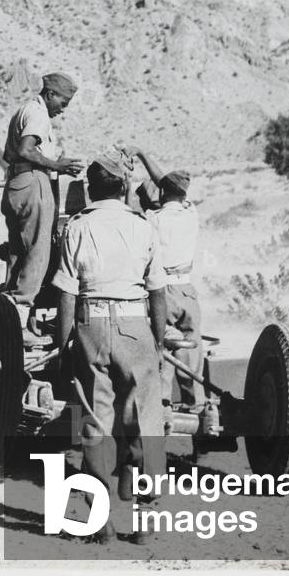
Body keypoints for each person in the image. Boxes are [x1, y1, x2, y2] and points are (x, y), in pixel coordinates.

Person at [51, 157, 168, 544]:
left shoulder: (78, 227)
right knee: (143, 420)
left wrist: (66, 340)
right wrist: (157, 339)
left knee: (96, 423)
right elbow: (157, 291)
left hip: (91, 324)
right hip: (136, 324)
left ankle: (100, 524)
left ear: (89, 189)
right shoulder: (143, 226)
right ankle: (145, 522)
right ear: (123, 188)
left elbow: (66, 292)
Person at [121, 147, 204, 413]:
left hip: (161, 291)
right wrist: (145, 155)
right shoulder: (191, 214)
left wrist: (128, 178)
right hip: (186, 289)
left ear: (163, 194)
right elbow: (164, 183)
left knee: (161, 343)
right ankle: (195, 403)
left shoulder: (153, 219)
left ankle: (162, 401)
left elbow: (131, 209)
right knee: (191, 347)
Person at [0, 72, 85, 324]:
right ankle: (21, 312)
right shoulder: (38, 114)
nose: (62, 109)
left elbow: (12, 154)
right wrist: (55, 166)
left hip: (17, 184)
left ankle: (8, 307)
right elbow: (26, 149)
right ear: (50, 95)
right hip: (34, 181)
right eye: (63, 103)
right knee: (39, 250)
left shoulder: (24, 111)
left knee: (18, 252)